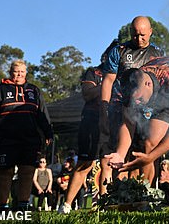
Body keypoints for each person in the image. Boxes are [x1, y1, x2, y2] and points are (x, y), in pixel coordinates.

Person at [104, 56, 169, 212]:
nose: (136, 104)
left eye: (138, 99)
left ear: (147, 84)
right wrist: (120, 154)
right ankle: (146, 196)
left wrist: (151, 158)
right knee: (149, 144)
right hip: (163, 101)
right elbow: (128, 122)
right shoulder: (128, 84)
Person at [98, 17, 163, 192]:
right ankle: (118, 193)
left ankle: (146, 192)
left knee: (147, 150)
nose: (139, 39)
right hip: (122, 106)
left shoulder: (157, 53)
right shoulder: (118, 51)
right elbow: (108, 80)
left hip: (148, 110)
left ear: (150, 32)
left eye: (143, 35)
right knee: (121, 151)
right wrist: (104, 106)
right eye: (135, 35)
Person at [0, 59, 53, 210]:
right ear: (10, 73)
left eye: (22, 72)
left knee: (27, 171)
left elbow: (42, 115)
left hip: (29, 139)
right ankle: (3, 207)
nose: (19, 74)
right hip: (6, 139)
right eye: (16, 71)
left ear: (26, 73)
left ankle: (23, 206)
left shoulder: (34, 90)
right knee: (5, 173)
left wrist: (48, 133)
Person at [59, 41, 118, 214]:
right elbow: (87, 94)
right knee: (86, 163)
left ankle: (104, 205)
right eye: (110, 56)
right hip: (91, 121)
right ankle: (67, 205)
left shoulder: (121, 74)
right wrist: (107, 84)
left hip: (111, 121)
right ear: (105, 57)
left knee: (108, 162)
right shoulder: (94, 72)